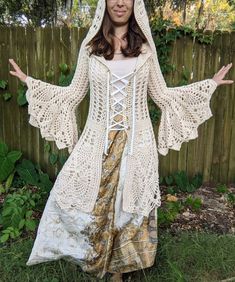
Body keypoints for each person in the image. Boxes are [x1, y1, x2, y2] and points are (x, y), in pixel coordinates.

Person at [9, 0, 233, 281]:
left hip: (136, 144)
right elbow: (73, 94)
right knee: (83, 195)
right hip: (97, 142)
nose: (119, 3)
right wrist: (31, 83)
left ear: (135, 4)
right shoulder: (91, 49)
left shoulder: (146, 51)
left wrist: (208, 85)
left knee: (128, 207)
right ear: (104, 4)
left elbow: (162, 96)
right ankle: (92, 253)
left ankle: (119, 268)